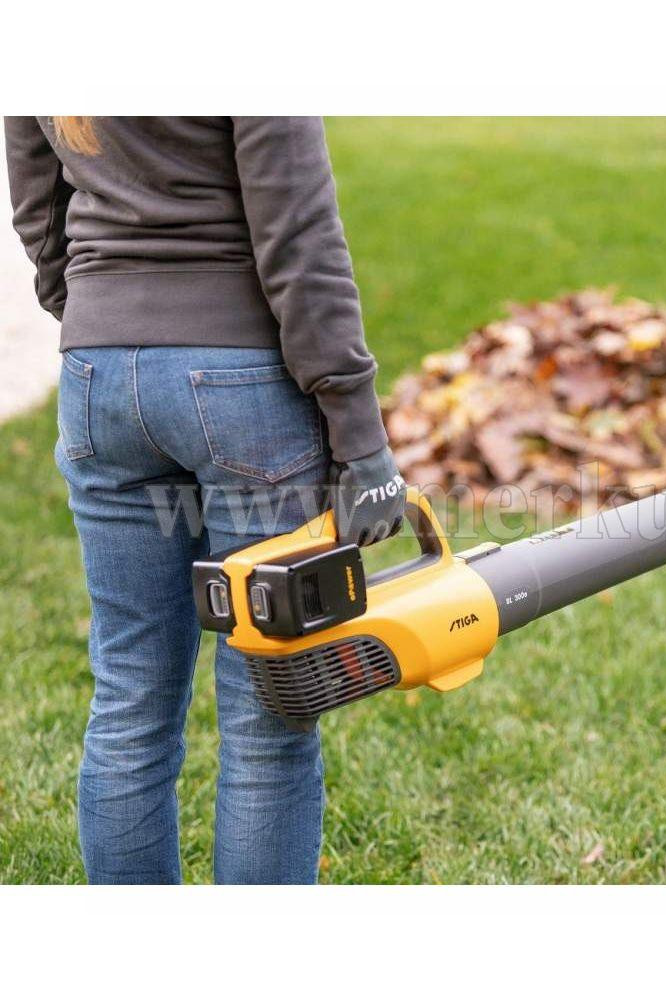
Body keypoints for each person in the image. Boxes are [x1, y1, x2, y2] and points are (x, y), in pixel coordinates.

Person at [3, 116, 406, 884]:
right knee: (268, 715)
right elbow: (299, 232)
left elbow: (37, 212)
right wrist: (360, 436)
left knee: (129, 703)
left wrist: (102, 323)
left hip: (96, 377)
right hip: (242, 382)